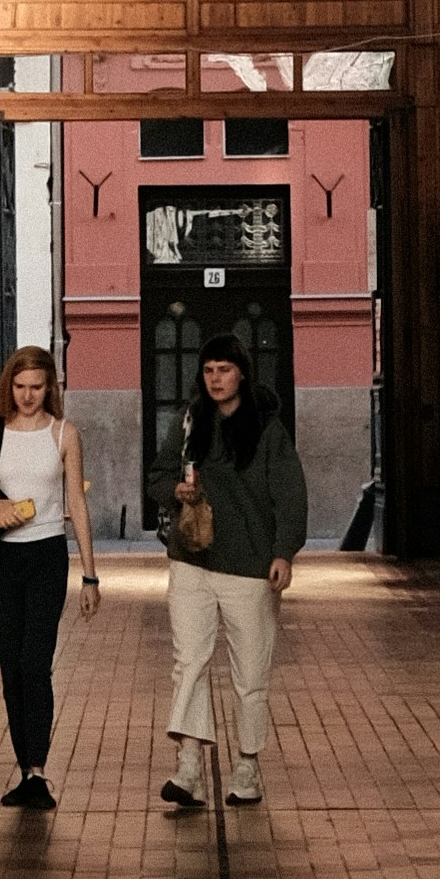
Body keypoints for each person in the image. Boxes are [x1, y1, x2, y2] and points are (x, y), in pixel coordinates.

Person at [159, 340, 305, 818]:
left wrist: (284, 551)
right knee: (190, 663)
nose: (215, 378)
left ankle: (247, 764)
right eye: (207, 370)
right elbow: (157, 476)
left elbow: (289, 492)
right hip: (192, 558)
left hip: (250, 565)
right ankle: (189, 765)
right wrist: (173, 489)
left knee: (250, 671)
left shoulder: (267, 428)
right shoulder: (190, 421)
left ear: (242, 373)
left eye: (224, 369)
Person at [0, 342, 97, 808]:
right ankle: (25, 770)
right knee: (11, 668)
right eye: (20, 386)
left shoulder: (64, 434)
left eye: (37, 387)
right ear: (8, 386)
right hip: (2, 561)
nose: (28, 396)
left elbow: (76, 503)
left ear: (49, 387)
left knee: (36, 663)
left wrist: (90, 575)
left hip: (47, 556)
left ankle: (38, 769)